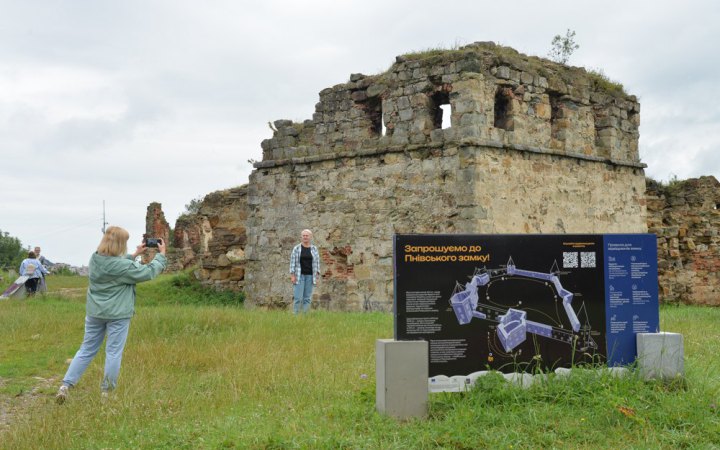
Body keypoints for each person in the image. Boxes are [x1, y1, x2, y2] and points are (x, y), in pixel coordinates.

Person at [55, 226, 166, 404]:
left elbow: (115, 267)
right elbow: (148, 272)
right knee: (113, 352)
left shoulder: (95, 258)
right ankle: (106, 393)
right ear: (121, 244)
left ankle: (65, 386)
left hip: (95, 312)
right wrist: (161, 255)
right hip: (118, 314)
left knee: (86, 349)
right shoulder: (123, 266)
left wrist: (134, 254)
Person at [289, 229, 320, 314]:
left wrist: (317, 277)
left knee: (307, 298)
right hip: (299, 276)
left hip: (310, 276)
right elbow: (292, 262)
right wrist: (292, 275)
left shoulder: (314, 249)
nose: (305, 237)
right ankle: (295, 315)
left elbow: (317, 263)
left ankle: (305, 315)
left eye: (307, 235)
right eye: (304, 235)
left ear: (310, 237)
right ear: (301, 237)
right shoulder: (296, 248)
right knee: (298, 297)